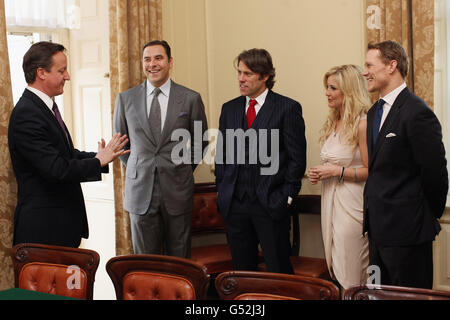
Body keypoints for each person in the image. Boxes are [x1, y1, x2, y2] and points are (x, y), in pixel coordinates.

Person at [8, 41, 129, 248]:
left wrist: (99, 157)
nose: (68, 76)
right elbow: (56, 169)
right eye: (61, 70)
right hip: (44, 230)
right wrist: (98, 161)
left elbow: (65, 155)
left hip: (60, 226)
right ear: (41, 73)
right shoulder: (27, 113)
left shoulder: (44, 107)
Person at [363, 40, 448, 289]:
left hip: (408, 232)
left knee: (409, 296)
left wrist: (424, 215)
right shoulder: (372, 113)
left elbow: (435, 173)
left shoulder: (417, 112)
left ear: (392, 65)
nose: (365, 71)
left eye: (369, 65)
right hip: (377, 231)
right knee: (377, 293)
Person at [113, 40, 208, 258]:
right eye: (147, 59)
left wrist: (181, 168)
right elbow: (121, 145)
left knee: (180, 260)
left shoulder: (190, 99)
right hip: (140, 192)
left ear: (170, 62)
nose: (152, 64)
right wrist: (140, 167)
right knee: (146, 263)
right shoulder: (125, 99)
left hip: (178, 190)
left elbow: (200, 142)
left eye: (158, 58)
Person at [215, 48, 306, 274]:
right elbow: (222, 155)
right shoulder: (230, 108)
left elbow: (297, 158)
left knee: (278, 271)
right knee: (243, 273)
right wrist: (223, 189)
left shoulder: (287, 108)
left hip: (271, 203)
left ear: (265, 76)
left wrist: (286, 197)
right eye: (239, 72)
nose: (241, 79)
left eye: (247, 74)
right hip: (236, 204)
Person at [307, 65, 371, 290]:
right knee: (336, 263)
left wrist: (335, 172)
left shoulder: (363, 124)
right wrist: (320, 172)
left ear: (349, 91)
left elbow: (371, 171)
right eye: (327, 87)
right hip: (330, 201)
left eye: (333, 88)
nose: (327, 92)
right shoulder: (334, 120)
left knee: (352, 268)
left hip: (353, 205)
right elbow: (333, 163)